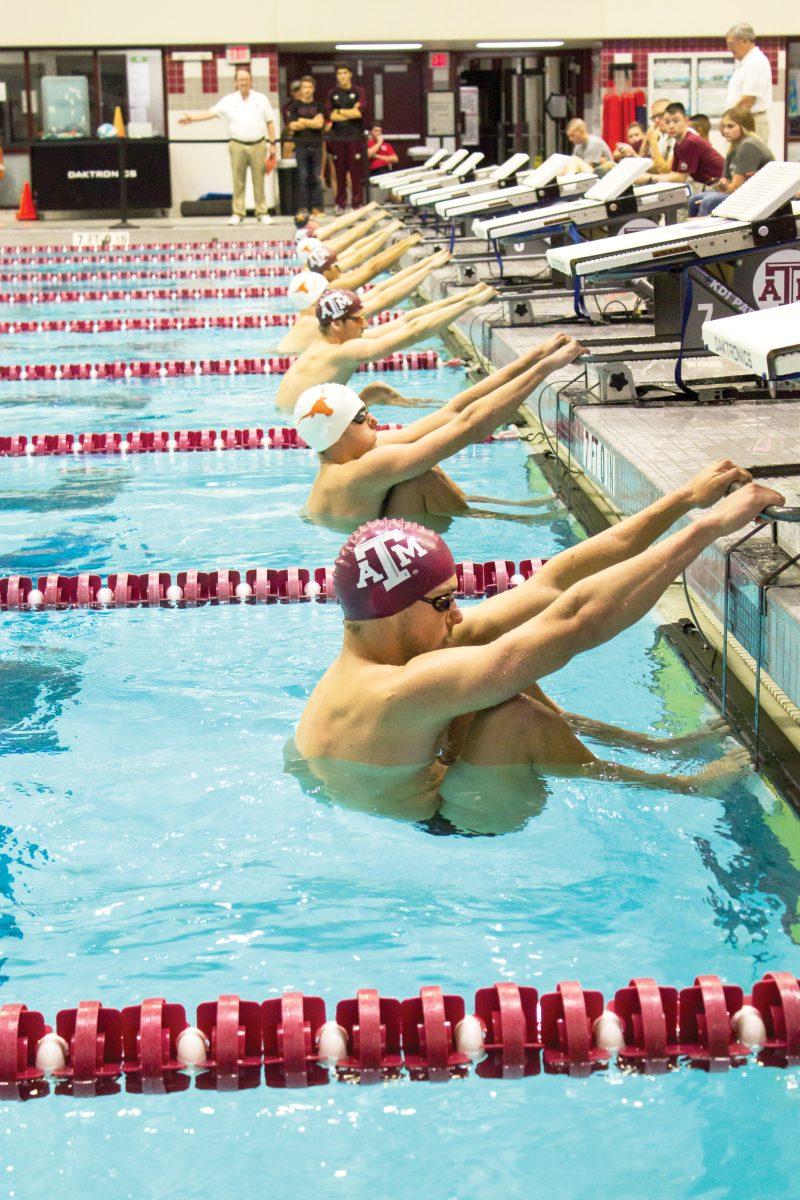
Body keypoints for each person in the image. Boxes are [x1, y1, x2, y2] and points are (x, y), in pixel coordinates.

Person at [290, 464, 780, 830]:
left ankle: (659, 748)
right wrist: (705, 530)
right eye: (443, 602)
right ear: (394, 608)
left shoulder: (385, 648)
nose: (457, 613)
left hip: (417, 764)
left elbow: (553, 583)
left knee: (492, 654)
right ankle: (683, 786)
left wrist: (684, 500)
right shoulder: (394, 691)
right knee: (511, 712)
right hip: (457, 818)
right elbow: (576, 623)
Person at [293, 337, 580, 526]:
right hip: (392, 553)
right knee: (419, 479)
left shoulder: (349, 456)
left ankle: (509, 509)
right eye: (361, 417)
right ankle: (511, 518)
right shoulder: (360, 472)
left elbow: (453, 412)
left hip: (379, 533)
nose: (374, 421)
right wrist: (547, 369)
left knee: (415, 475)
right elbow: (468, 426)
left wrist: (534, 357)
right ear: (338, 433)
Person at [275, 283, 493, 413]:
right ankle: (447, 410)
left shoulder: (330, 345)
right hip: (301, 432)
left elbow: (406, 321)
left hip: (306, 420)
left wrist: (467, 296)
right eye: (359, 319)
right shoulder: (340, 352)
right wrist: (469, 305)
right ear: (337, 324)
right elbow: (414, 333)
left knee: (378, 390)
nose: (366, 323)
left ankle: (436, 406)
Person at [279, 248, 452, 354]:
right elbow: (383, 300)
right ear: (313, 301)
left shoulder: (310, 320)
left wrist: (426, 265)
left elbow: (378, 292)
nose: (331, 293)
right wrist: (427, 267)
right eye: (326, 291)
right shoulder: (317, 322)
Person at [179, 66, 277, 226]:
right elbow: (211, 113)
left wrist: (272, 144)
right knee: (238, 180)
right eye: (240, 80)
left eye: (246, 79)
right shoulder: (229, 100)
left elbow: (270, 122)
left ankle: (262, 212)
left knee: (259, 179)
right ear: (236, 82)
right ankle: (238, 213)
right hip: (237, 144)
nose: (243, 83)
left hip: (259, 144)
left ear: (251, 81)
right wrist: (192, 118)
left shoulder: (261, 99)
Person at [688, 106, 774, 216]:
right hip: (741, 193)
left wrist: (722, 188)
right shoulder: (733, 146)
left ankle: (702, 232)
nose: (725, 131)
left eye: (730, 126)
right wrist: (721, 185)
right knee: (694, 200)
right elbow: (726, 181)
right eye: (724, 127)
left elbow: (735, 187)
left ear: (743, 127)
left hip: (757, 196)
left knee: (708, 202)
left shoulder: (748, 145)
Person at [642, 102, 724, 188]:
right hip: (707, 185)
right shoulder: (678, 143)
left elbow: (680, 178)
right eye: (667, 122)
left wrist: (648, 178)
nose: (671, 126)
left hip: (720, 185)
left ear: (686, 121)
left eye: (676, 121)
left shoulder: (690, 141)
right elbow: (673, 174)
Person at [326, 63, 368, 213]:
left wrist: (340, 111)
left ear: (350, 74)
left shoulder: (359, 92)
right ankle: (340, 204)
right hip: (338, 138)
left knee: (355, 172)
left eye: (345, 73)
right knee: (340, 173)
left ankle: (357, 204)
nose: (342, 76)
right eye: (339, 73)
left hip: (354, 137)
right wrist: (348, 111)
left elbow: (358, 113)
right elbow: (331, 116)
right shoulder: (332, 94)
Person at [284, 76, 326, 217]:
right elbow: (293, 125)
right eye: (304, 87)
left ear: (313, 89)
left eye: (309, 87)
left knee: (316, 177)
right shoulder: (294, 106)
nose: (307, 90)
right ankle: (303, 208)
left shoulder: (319, 105)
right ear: (301, 90)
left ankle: (317, 208)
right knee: (303, 177)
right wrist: (310, 121)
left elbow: (320, 124)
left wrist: (302, 121)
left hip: (316, 146)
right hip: (301, 146)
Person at [725, 22, 773, 144]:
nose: (729, 48)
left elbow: (747, 101)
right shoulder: (745, 63)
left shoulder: (756, 62)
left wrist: (727, 120)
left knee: (749, 160)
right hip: (741, 120)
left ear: (744, 41)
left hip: (750, 121)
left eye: (732, 44)